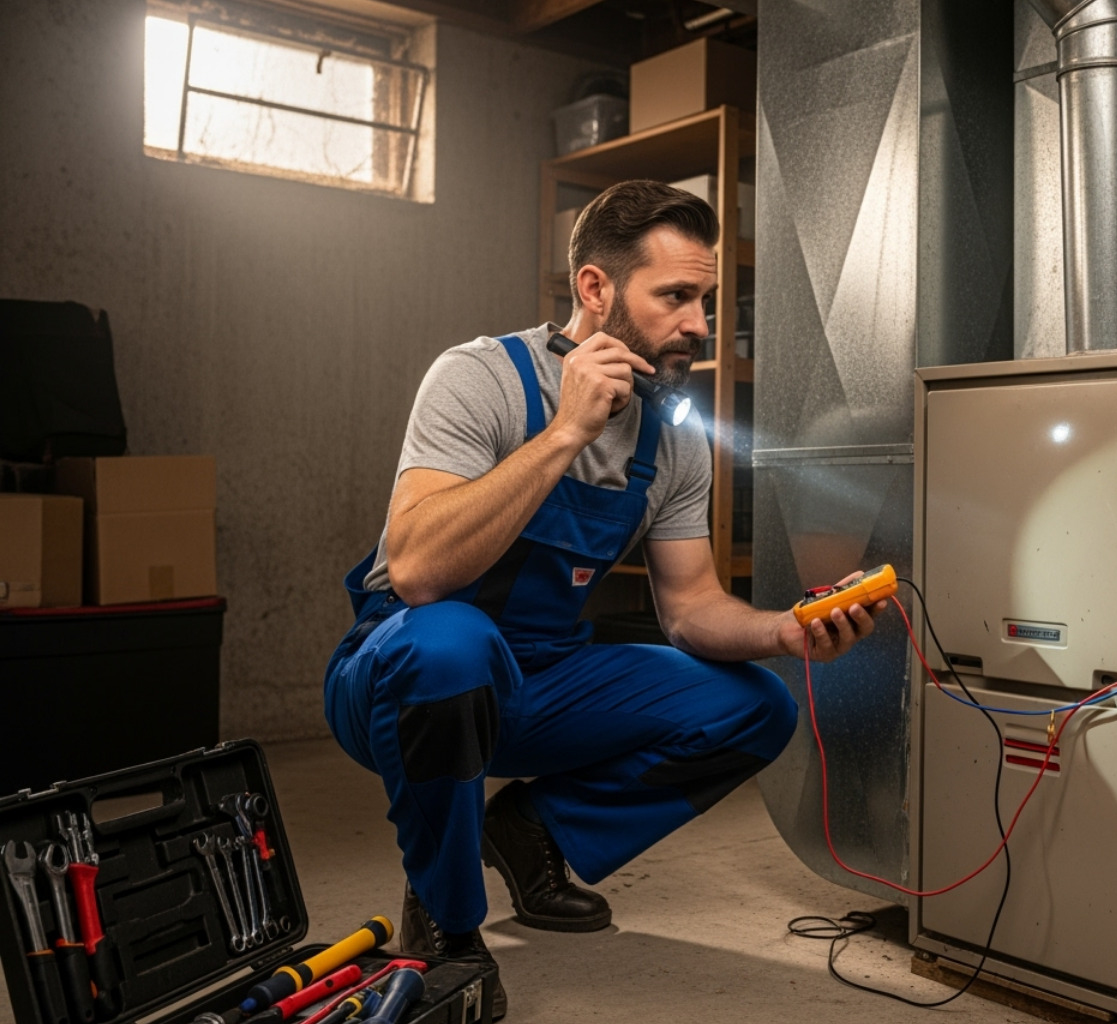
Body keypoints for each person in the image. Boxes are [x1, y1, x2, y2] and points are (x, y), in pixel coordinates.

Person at [323, 180, 884, 1019]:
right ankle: (443, 919)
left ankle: (532, 831)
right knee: (450, 641)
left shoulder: (674, 437)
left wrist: (785, 631)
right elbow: (417, 571)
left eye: (705, 299)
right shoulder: (481, 379)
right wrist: (566, 432)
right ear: (595, 289)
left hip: (539, 679)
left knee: (756, 707)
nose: (698, 323)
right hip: (398, 674)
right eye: (675, 296)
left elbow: (691, 608)